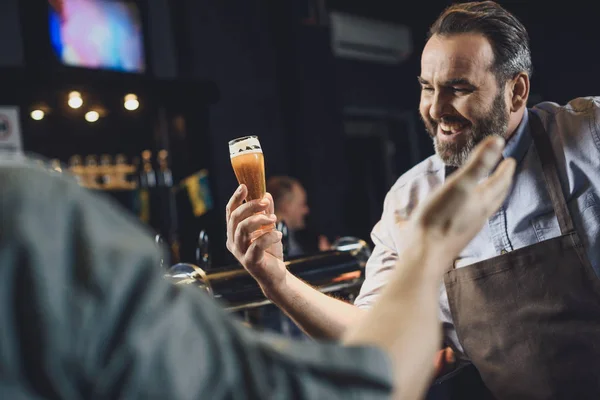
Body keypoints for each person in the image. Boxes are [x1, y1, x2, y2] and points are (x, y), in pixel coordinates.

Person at [225, 2, 600, 399]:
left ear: (516, 91)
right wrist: (276, 280)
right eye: (427, 87)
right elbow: (371, 339)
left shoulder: (587, 135)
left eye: (458, 88)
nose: (436, 109)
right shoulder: (410, 198)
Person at [1, 137, 513, 399]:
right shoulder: (27, 221)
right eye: (429, 88)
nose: (439, 107)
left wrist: (274, 277)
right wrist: (428, 253)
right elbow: (355, 390)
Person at [266, 175, 330, 257]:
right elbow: (293, 269)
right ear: (286, 206)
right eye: (302, 204)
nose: (306, 210)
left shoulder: (285, 237)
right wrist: (326, 258)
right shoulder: (276, 241)